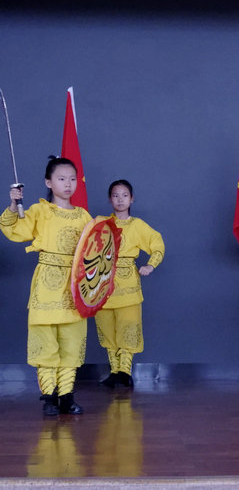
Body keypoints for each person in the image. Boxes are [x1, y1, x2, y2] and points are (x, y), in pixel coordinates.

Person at [0, 157, 92, 415]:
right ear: (48, 182)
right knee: (46, 341)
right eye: (62, 179)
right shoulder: (40, 211)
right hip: (47, 284)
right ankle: (49, 396)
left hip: (75, 287)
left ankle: (66, 396)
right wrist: (13, 203)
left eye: (72, 178)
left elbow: (94, 250)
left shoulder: (83, 215)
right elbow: (14, 230)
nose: (68, 184)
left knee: (71, 342)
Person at [95, 180, 164, 388]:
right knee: (107, 328)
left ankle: (125, 371)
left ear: (131, 198)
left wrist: (150, 265)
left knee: (127, 326)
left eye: (124, 195)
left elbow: (157, 243)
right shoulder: (101, 223)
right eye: (115, 195)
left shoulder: (137, 225)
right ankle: (114, 371)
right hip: (102, 282)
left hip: (128, 284)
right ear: (110, 199)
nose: (120, 199)